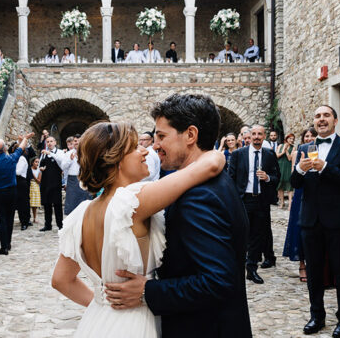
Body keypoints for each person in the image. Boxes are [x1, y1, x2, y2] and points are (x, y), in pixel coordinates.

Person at [51, 120, 227, 337]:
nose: (146, 150)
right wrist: (218, 153)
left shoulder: (82, 213)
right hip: (135, 323)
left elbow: (61, 279)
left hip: (98, 321)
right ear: (115, 158)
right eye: (135, 147)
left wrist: (104, 305)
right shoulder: (132, 200)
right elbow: (211, 165)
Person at [102, 94, 252, 337]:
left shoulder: (198, 197)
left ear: (191, 135)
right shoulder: (210, 181)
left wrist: (147, 291)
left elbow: (218, 281)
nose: (155, 145)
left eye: (162, 136)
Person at [291, 105, 340, 338]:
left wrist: (327, 168)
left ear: (335, 120)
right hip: (310, 220)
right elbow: (294, 183)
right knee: (313, 272)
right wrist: (300, 170)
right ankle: (317, 316)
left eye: (326, 116)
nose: (321, 120)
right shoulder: (304, 148)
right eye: (317, 116)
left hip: (338, 220)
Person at [229, 124, 279, 284]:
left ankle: (251, 269)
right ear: (249, 137)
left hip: (261, 199)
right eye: (254, 134)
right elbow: (231, 178)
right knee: (242, 233)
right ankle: (236, 268)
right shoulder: (239, 154)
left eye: (260, 134)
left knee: (258, 235)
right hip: (244, 198)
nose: (257, 136)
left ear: (264, 137)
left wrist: (268, 177)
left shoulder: (269, 154)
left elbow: (277, 176)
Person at [0, 134, 34, 254]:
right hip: (12, 193)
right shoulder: (11, 159)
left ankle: (4, 246)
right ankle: (8, 243)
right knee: (9, 219)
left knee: (1, 220)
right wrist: (25, 138)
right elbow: (21, 148)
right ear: (5, 148)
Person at [283, 127, 317, 282]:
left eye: (312, 136)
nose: (309, 139)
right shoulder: (299, 153)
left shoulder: (319, 152)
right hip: (300, 192)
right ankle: (302, 264)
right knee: (298, 227)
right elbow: (293, 176)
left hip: (315, 192)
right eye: (307, 136)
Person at [39, 136, 65, 231]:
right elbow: (40, 165)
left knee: (57, 205)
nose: (49, 143)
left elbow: (61, 162)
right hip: (45, 182)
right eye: (47, 142)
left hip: (56, 182)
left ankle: (60, 225)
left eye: (51, 141)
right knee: (47, 204)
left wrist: (50, 153)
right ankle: (48, 224)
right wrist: (41, 168)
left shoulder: (60, 152)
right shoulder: (43, 154)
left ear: (55, 142)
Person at [63, 136, 92, 215]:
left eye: (79, 140)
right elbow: (63, 167)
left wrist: (81, 159)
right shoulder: (68, 153)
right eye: (75, 141)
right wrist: (70, 159)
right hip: (72, 180)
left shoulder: (87, 152)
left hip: (84, 178)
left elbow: (91, 166)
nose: (77, 142)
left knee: (85, 203)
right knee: (72, 204)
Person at [13, 142, 32, 230]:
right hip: (16, 181)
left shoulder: (21, 159)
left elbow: (18, 172)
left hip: (21, 181)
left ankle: (25, 221)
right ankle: (22, 220)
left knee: (23, 202)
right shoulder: (15, 159)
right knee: (19, 202)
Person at [277, 133, 295, 209]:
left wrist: (287, 151)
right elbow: (276, 156)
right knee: (280, 184)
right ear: (287, 139)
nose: (291, 140)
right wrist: (283, 152)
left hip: (288, 166)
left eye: (293, 139)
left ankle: (290, 204)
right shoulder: (280, 146)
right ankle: (282, 202)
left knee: (289, 184)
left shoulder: (293, 148)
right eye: (290, 138)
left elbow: (290, 158)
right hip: (280, 166)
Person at [29, 158, 42, 224]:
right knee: (29, 202)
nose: (37, 163)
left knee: (35, 204)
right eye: (36, 162)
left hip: (36, 186)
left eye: (38, 162)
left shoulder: (39, 171)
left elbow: (39, 181)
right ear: (32, 162)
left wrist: (33, 176)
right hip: (29, 186)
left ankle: (34, 218)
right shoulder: (29, 169)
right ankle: (28, 217)